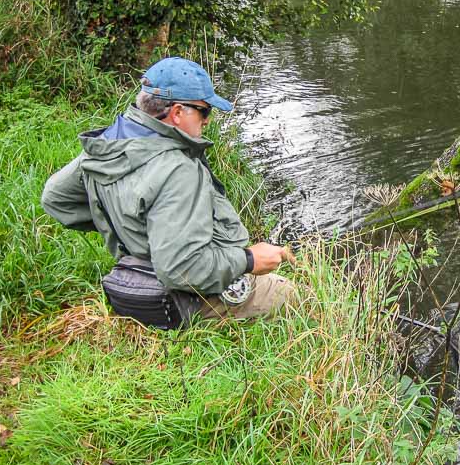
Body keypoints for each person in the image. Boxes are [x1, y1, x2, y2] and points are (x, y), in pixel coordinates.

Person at [41, 56, 296, 321]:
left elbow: (55, 198)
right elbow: (181, 269)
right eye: (204, 111)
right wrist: (249, 260)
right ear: (176, 113)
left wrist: (127, 226)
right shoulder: (178, 169)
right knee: (294, 296)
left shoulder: (107, 146)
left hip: (135, 282)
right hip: (179, 299)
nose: (207, 121)